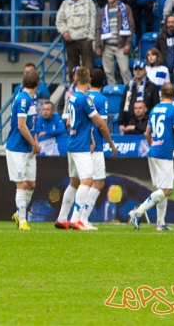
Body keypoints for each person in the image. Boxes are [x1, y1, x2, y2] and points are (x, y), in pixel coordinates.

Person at [55, 67, 116, 231]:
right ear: (89, 80)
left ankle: (62, 218)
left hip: (72, 143)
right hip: (81, 147)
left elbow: (68, 123)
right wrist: (107, 141)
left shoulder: (72, 97)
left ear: (75, 80)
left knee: (74, 182)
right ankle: (76, 220)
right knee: (87, 181)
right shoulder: (85, 99)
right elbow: (100, 123)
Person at [128, 83, 174, 231]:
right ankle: (137, 212)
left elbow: (147, 133)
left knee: (161, 189)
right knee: (167, 190)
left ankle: (160, 223)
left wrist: (154, 144)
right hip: (164, 153)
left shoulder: (154, 109)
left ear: (161, 94)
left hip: (153, 151)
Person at [5, 68, 40, 231]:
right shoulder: (23, 100)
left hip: (28, 149)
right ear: (38, 84)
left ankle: (19, 214)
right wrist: (34, 143)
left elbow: (32, 125)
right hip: (17, 148)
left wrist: (35, 140)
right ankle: (23, 220)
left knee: (31, 184)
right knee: (22, 184)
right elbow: (21, 125)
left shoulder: (31, 100)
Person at [95, 0, 134, 85]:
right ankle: (113, 93)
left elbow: (131, 27)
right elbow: (98, 29)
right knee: (108, 72)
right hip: (106, 45)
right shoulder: (103, 10)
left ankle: (129, 93)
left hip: (121, 45)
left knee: (125, 71)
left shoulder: (125, 8)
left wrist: (128, 44)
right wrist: (97, 46)